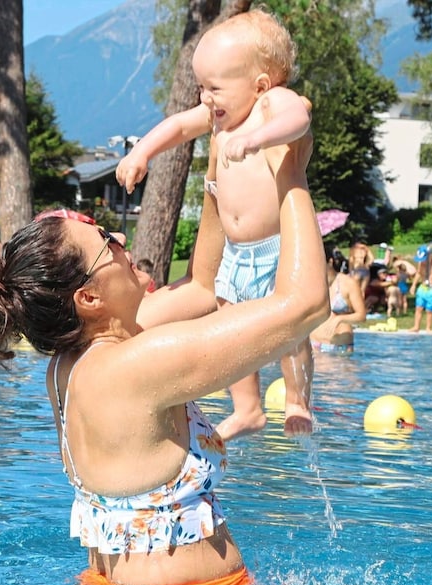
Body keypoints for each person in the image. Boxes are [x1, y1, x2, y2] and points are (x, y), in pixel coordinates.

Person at [0, 135, 328, 585]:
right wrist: (290, 171)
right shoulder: (139, 365)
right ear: (88, 297)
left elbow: (201, 288)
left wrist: (215, 166)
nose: (120, 240)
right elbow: (306, 304)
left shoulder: (72, 364)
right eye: (105, 242)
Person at [116, 9, 314, 441]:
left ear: (259, 84)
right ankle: (247, 409)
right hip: (236, 252)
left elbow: (298, 117)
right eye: (201, 87)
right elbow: (177, 125)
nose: (205, 98)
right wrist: (142, 153)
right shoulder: (218, 118)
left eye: (215, 88)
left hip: (276, 246)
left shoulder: (268, 106)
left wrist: (257, 138)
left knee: (292, 331)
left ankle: (297, 398)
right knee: (230, 328)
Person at [310, 245, 366, 353]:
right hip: (314, 345)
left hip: (339, 348)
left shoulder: (348, 283)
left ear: (330, 261)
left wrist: (339, 319)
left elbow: (361, 316)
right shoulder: (313, 284)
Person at [409, 246, 432, 333]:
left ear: (430, 255)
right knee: (419, 308)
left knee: (429, 310)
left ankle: (428, 327)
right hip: (423, 287)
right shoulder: (421, 263)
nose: (423, 261)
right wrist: (413, 285)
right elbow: (418, 274)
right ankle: (416, 326)